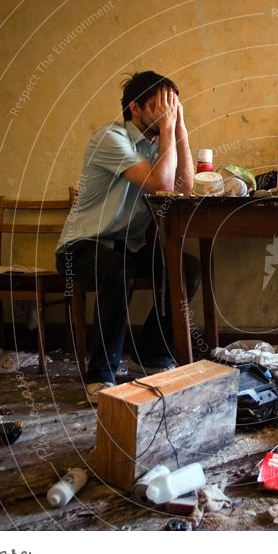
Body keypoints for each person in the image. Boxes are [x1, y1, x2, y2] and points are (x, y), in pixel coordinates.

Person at [56, 71, 200, 402]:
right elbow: (162, 185)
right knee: (119, 270)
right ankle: (100, 375)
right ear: (135, 109)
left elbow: (183, 189)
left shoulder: (159, 144)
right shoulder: (110, 137)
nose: (168, 111)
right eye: (159, 105)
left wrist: (180, 129)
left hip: (127, 248)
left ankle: (149, 354)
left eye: (173, 105)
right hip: (80, 247)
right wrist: (168, 129)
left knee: (185, 268)